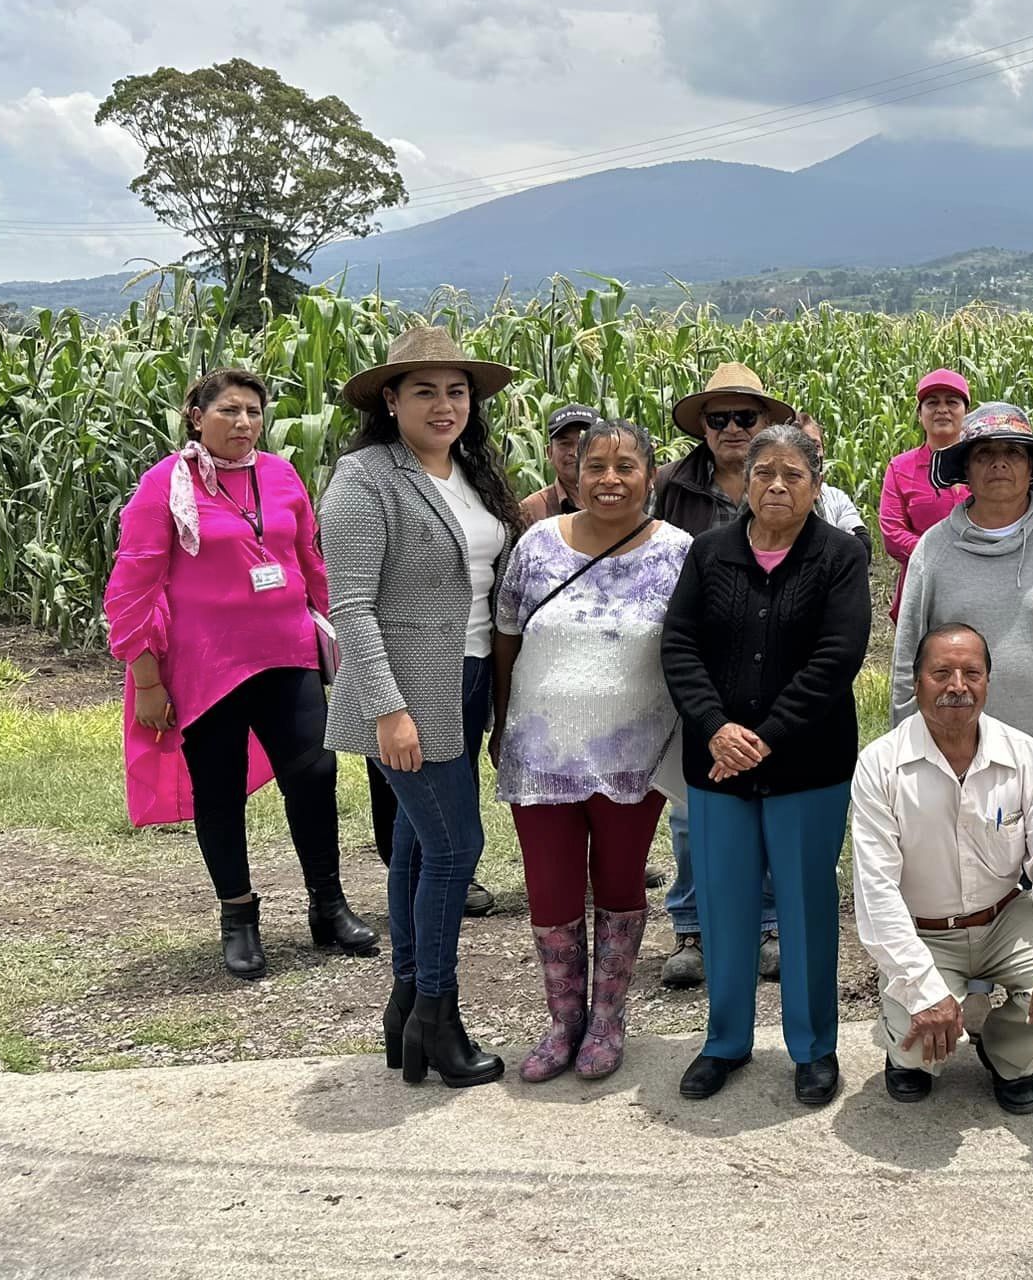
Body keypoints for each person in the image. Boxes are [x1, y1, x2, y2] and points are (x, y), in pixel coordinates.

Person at [104, 369, 375, 980]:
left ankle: (327, 907)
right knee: (218, 790)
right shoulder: (164, 487)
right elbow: (132, 586)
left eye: (254, 411)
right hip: (206, 667)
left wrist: (342, 635)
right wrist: (146, 678)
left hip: (288, 653)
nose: (244, 423)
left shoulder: (280, 476)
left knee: (315, 774)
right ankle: (239, 916)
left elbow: (310, 561)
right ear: (196, 415)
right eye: (229, 410)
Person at [322, 325, 522, 1089]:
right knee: (452, 850)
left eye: (457, 390)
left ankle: (406, 1009)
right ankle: (438, 1017)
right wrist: (387, 709)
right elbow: (351, 604)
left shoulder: (471, 473)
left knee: (414, 847)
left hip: (469, 682)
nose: (445, 405)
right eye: (426, 391)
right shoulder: (365, 477)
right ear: (391, 400)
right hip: (410, 694)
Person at [661, 423, 872, 1108]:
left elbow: (837, 658)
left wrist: (764, 736)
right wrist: (718, 728)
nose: (777, 486)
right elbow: (680, 646)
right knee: (724, 905)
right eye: (764, 474)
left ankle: (814, 1049)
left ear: (817, 483)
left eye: (793, 474)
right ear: (746, 482)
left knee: (807, 907)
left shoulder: (839, 556)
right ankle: (725, 1041)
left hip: (808, 765)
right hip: (716, 764)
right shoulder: (708, 553)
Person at [491, 419, 692, 1083]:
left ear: (650, 476)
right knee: (549, 886)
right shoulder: (538, 544)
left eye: (625, 466)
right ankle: (563, 1019)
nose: (609, 479)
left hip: (634, 752)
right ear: (572, 473)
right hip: (539, 747)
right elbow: (507, 635)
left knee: (620, 879)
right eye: (594, 465)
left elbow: (692, 652)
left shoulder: (679, 552)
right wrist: (500, 720)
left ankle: (608, 1016)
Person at [853, 624, 1033, 1113]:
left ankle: (1006, 1055)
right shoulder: (880, 765)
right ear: (916, 683)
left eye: (972, 673)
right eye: (941, 673)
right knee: (919, 1041)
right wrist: (923, 990)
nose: (957, 685)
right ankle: (908, 1053)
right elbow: (875, 890)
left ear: (988, 683)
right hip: (925, 932)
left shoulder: (1024, 756)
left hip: (1005, 919)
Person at [650, 361, 795, 989]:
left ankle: (765, 922)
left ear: (767, 424)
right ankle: (692, 928)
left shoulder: (792, 479)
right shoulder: (669, 487)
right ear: (703, 429)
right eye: (720, 419)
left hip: (775, 669)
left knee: (767, 796)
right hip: (699, 672)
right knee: (690, 807)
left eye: (746, 417)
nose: (733, 428)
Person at [890, 401, 1033, 805]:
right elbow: (909, 651)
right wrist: (909, 737)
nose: (999, 464)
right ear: (965, 470)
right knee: (955, 858)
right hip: (949, 743)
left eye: (1013, 453)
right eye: (984, 455)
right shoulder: (934, 548)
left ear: (1031, 467)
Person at [877, 369, 972, 619]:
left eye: (952, 402)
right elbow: (893, 535)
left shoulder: (983, 466)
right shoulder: (900, 468)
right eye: (932, 403)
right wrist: (942, 554)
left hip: (980, 580)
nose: (942, 409)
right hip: (922, 586)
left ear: (966, 413)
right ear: (920, 415)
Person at [793, 411, 872, 554]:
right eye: (803, 445)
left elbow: (862, 545)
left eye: (816, 446)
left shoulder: (836, 497)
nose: (813, 453)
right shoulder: (778, 497)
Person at [519, 404, 596, 523]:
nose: (575, 452)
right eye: (565, 443)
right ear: (549, 452)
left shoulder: (619, 502)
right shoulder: (531, 511)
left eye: (584, 442)